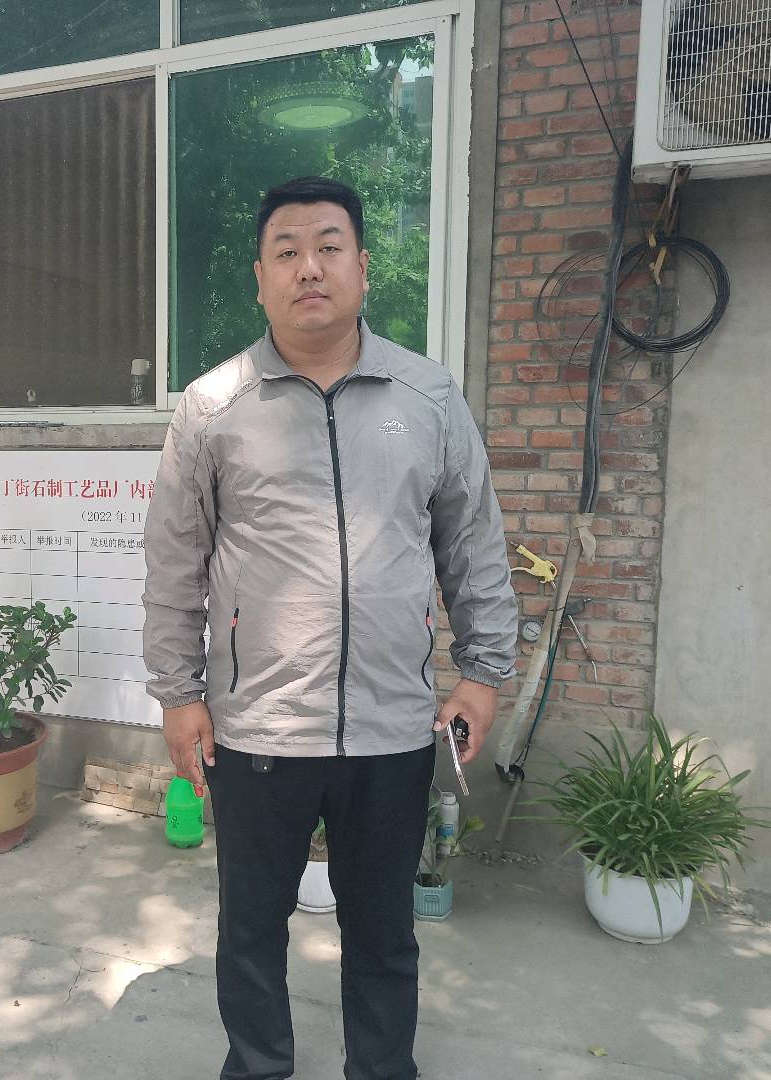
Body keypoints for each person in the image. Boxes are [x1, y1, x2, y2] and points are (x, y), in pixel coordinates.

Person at [142, 176, 517, 1080]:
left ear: (363, 267)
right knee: (250, 928)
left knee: (383, 933)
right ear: (260, 279)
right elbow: (174, 562)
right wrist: (179, 694)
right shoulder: (213, 407)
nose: (309, 267)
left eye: (329, 246)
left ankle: (382, 1069)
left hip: (392, 726)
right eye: (287, 251)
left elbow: (473, 542)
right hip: (259, 728)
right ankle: (258, 1065)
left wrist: (483, 672)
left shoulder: (427, 397)